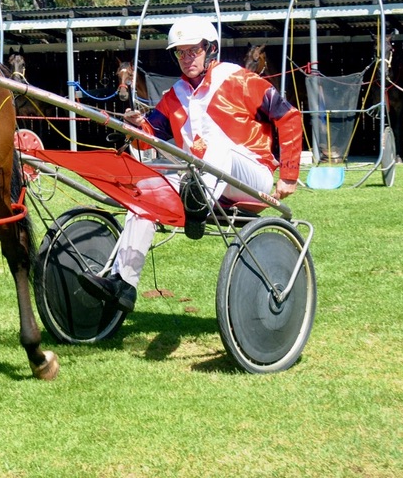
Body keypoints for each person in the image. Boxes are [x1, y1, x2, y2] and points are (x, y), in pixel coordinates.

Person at [79, 15, 302, 312]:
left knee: (216, 151)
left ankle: (195, 204)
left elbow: (289, 117)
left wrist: (288, 175)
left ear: (210, 49)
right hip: (197, 183)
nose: (186, 58)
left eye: (193, 51)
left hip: (249, 179)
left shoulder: (239, 79)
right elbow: (147, 140)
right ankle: (123, 283)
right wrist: (135, 127)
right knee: (146, 192)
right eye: (180, 53)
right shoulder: (175, 96)